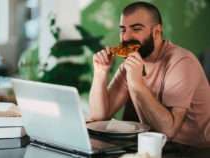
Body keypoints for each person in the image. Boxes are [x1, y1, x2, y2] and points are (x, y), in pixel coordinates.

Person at [89, 1, 210, 156]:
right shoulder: (131, 63)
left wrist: (137, 84)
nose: (126, 37)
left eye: (136, 29)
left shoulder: (181, 62)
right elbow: (99, 117)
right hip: (155, 145)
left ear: (157, 32)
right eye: (123, 30)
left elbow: (169, 131)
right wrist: (100, 73)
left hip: (195, 150)